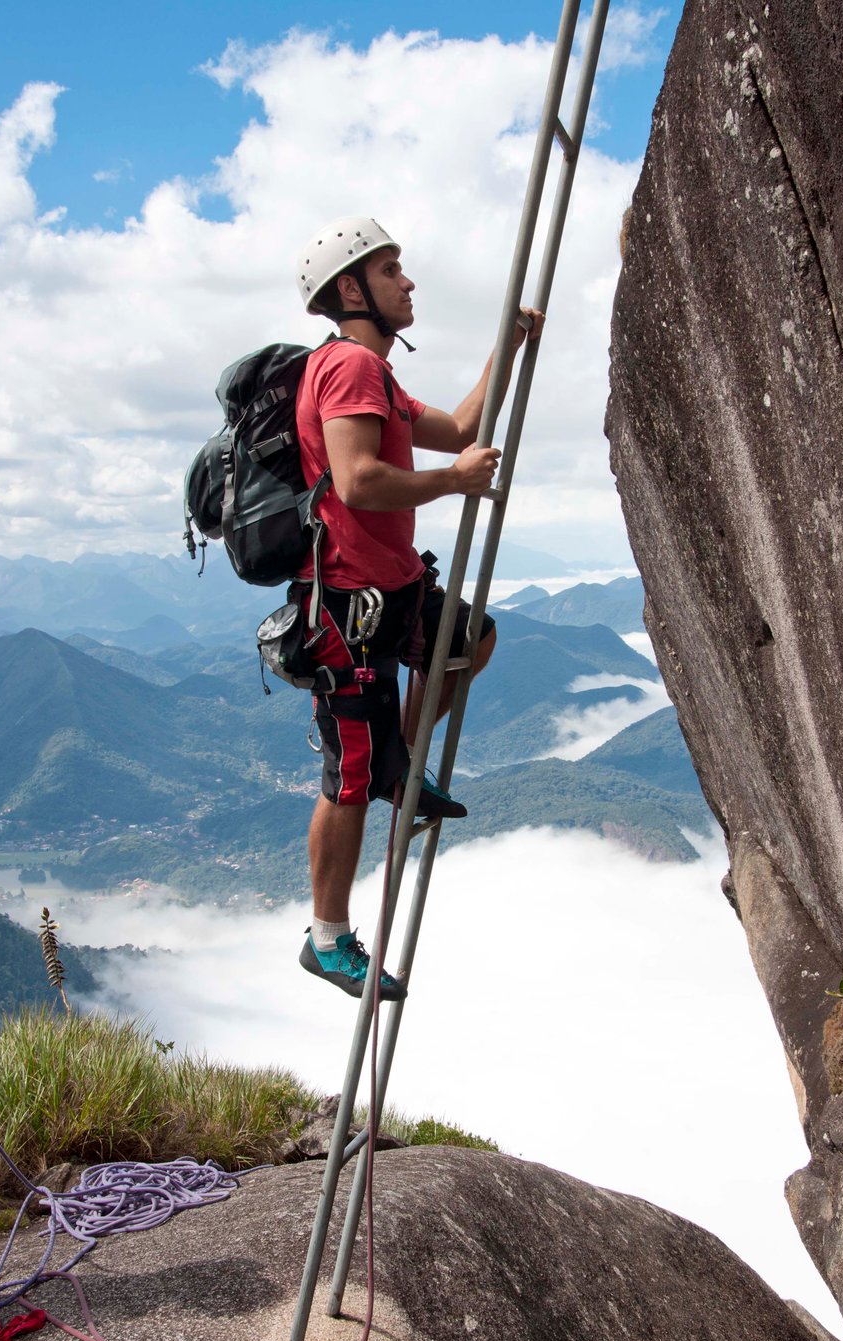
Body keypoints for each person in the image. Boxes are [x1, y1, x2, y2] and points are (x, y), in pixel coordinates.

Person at [294, 215, 543, 1001]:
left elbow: (462, 429)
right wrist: (454, 481)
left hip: (391, 590)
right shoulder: (348, 369)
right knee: (349, 776)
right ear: (351, 288)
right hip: (348, 607)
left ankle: (404, 767)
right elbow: (357, 479)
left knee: (470, 639)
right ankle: (327, 938)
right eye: (392, 269)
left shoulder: (378, 376)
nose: (407, 282)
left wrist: (508, 347)